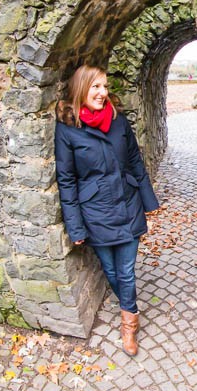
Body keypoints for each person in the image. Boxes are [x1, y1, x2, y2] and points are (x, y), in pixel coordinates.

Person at [54, 64, 159, 356]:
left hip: (127, 205)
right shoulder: (67, 129)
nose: (103, 92)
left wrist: (148, 202)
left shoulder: (118, 121)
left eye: (105, 86)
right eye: (96, 87)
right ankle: (127, 305)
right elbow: (67, 180)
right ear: (81, 89)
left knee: (125, 271)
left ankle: (129, 322)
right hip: (95, 212)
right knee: (111, 269)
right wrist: (75, 226)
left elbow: (135, 161)